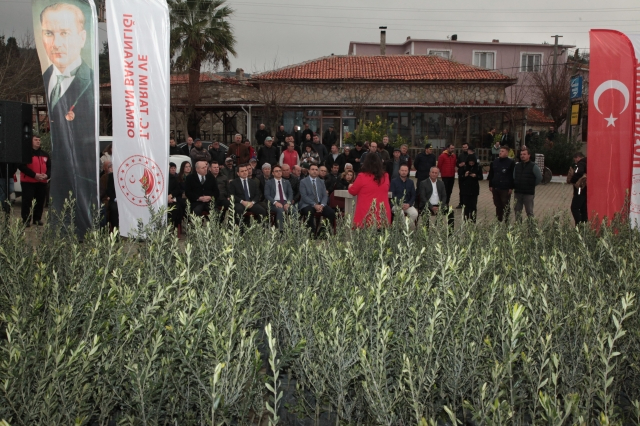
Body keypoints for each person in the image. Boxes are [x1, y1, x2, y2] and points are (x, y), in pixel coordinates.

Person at [39, 2, 96, 237]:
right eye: (49, 33)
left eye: (65, 33)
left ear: (82, 38)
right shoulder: (45, 77)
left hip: (80, 190)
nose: (57, 43)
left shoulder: (91, 86)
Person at [348, 152, 391, 228]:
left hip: (366, 215)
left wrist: (350, 186)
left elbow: (353, 191)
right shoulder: (385, 176)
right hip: (382, 215)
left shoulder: (362, 176)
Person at [19, 135, 50, 227]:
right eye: (36, 140)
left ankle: (37, 219)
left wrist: (47, 175)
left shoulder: (45, 154)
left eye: (39, 140)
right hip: (28, 181)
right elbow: (21, 166)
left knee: (40, 201)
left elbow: (50, 167)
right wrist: (34, 175)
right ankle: (26, 220)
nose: (38, 141)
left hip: (42, 182)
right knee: (27, 201)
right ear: (31, 142)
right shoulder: (26, 154)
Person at [299, 164, 336, 233]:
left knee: (331, 213)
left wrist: (322, 204)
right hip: (307, 204)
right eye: (312, 169)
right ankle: (312, 232)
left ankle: (322, 232)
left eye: (316, 170)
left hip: (320, 203)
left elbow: (325, 195)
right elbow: (304, 196)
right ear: (309, 171)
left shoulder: (321, 182)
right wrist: (314, 205)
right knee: (309, 212)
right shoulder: (303, 182)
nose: (314, 171)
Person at [513, 147, 542, 221]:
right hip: (518, 192)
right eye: (521, 154)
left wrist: (531, 185)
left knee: (529, 212)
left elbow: (539, 178)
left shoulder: (533, 166)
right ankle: (518, 228)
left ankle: (531, 229)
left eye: (524, 154)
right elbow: (514, 177)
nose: (522, 156)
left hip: (528, 193)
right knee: (517, 211)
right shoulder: (517, 166)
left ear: (529, 155)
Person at [488, 145, 515, 222]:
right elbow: (491, 174)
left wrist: (511, 187)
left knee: (505, 205)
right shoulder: (495, 161)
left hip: (505, 188)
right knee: (497, 205)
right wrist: (490, 185)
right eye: (500, 151)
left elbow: (512, 176)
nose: (500, 152)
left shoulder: (510, 162)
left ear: (507, 153)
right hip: (495, 187)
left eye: (502, 151)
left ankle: (506, 221)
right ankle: (499, 220)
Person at [264, 164, 294, 230]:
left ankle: (294, 230)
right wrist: (275, 202)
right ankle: (281, 230)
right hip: (274, 203)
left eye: (280, 171)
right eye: (276, 171)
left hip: (285, 202)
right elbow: (267, 195)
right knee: (281, 210)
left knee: (294, 210)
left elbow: (290, 193)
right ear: (273, 173)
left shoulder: (286, 182)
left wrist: (288, 203)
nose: (279, 172)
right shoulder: (269, 182)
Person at [390, 164, 418, 230]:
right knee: (401, 213)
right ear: (399, 171)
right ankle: (405, 230)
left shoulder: (410, 182)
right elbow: (392, 195)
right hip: (396, 204)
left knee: (414, 213)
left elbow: (413, 195)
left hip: (407, 204)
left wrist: (409, 204)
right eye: (402, 170)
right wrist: (400, 204)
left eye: (405, 170)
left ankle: (405, 228)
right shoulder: (393, 181)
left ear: (408, 172)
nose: (404, 172)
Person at [459, 154, 483, 222]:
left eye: (472, 162)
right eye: (470, 162)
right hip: (465, 189)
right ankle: (465, 220)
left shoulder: (478, 167)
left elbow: (481, 177)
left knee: (473, 206)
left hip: (474, 190)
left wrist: (476, 176)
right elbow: (460, 178)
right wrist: (465, 175)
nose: (471, 163)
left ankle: (473, 220)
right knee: (466, 206)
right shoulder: (464, 167)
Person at [570, 152, 588, 226]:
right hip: (586, 189)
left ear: (578, 158)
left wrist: (573, 180)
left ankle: (578, 224)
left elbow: (578, 172)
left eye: (575, 160)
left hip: (580, 189)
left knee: (574, 207)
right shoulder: (587, 162)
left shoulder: (580, 163)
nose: (575, 162)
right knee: (583, 208)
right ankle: (584, 224)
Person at [456, 143, 470, 209]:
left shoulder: (471, 155)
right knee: (461, 190)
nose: (465, 148)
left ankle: (467, 203)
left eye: (466, 147)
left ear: (468, 147)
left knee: (468, 189)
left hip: (468, 175)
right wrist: (459, 165)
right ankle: (461, 203)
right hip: (461, 174)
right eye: (463, 147)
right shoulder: (460, 155)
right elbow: (457, 163)